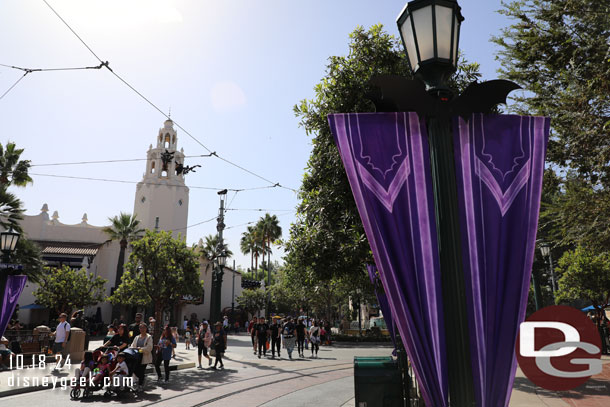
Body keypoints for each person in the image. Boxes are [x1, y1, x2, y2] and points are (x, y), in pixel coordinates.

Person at [130, 322, 153, 391]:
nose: (142, 329)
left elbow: (149, 347)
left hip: (144, 357)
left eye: (143, 328)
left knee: (141, 370)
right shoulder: (137, 337)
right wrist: (133, 349)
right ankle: (142, 379)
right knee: (135, 370)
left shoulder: (149, 337)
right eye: (140, 328)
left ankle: (140, 385)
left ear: (146, 328)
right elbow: (133, 345)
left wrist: (140, 349)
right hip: (136, 357)